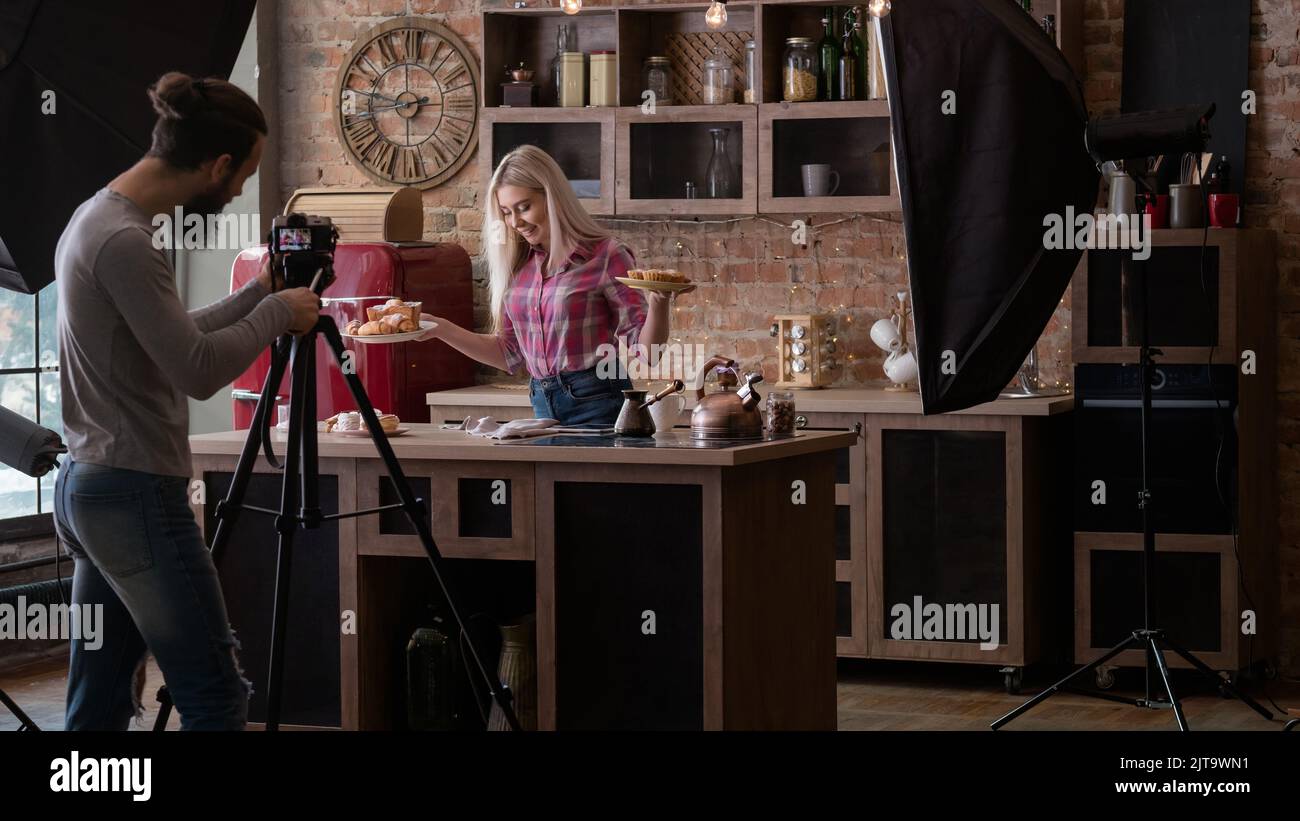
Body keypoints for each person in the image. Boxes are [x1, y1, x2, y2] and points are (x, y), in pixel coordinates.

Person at [53, 72, 320, 730]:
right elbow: (198, 370)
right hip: (136, 492)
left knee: (100, 700)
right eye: (241, 176)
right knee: (214, 693)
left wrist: (259, 292)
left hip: (91, 486)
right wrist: (284, 312)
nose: (235, 193)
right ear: (217, 163)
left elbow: (170, 337)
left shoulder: (99, 217)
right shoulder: (127, 241)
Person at [423, 145, 688, 426]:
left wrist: (659, 301)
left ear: (552, 198)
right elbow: (508, 354)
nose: (515, 222)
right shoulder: (517, 265)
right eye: (506, 212)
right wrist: (441, 328)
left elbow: (649, 354)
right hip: (541, 401)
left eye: (524, 207)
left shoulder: (606, 255)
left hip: (598, 399)